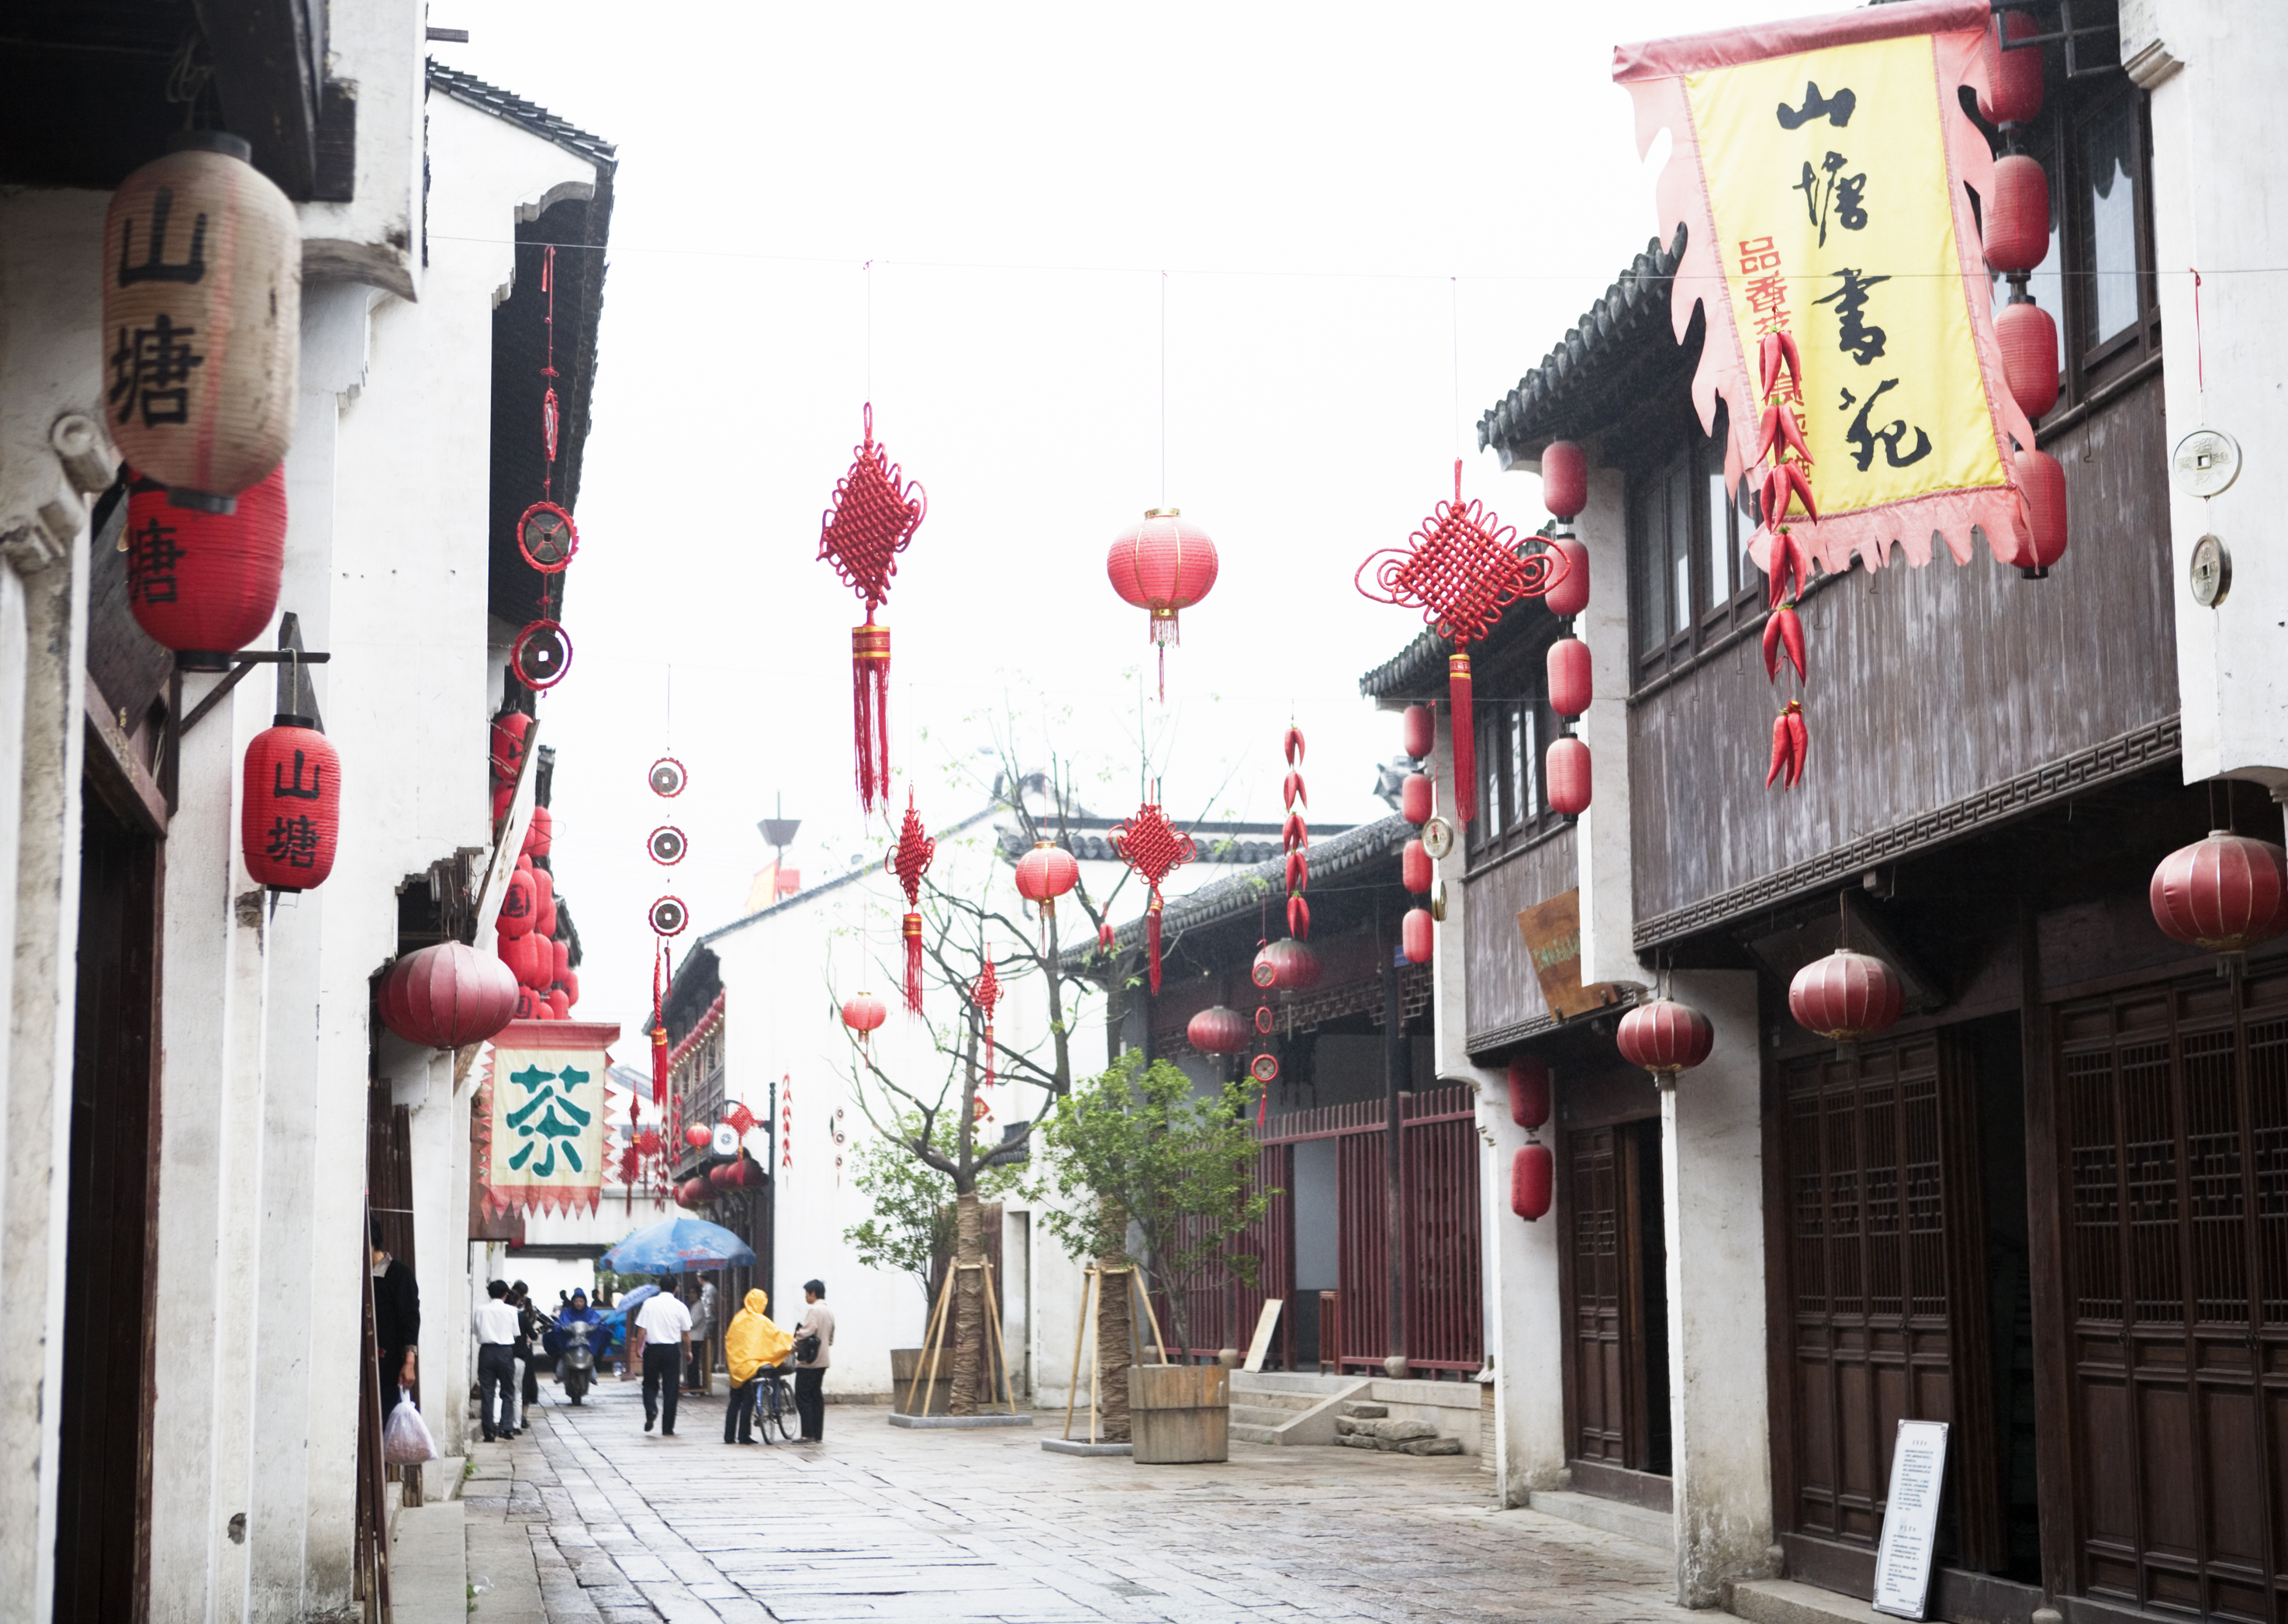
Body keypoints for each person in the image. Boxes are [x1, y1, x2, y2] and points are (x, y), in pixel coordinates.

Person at [721, 1287, 793, 1445]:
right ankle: (744, 1435)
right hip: (752, 1368)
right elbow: (776, 1336)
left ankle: (728, 1435)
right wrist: (793, 1340)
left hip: (737, 1367)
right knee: (748, 1401)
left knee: (734, 1402)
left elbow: (730, 1339)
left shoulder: (738, 1319)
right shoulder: (761, 1321)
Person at [629, 1272, 693, 1436]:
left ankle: (651, 1409)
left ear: (659, 1287)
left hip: (653, 1350)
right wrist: (688, 1351)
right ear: (676, 1289)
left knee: (649, 1383)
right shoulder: (680, 1306)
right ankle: (667, 1428)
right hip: (672, 1350)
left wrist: (638, 1349)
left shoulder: (649, 1303)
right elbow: (686, 1333)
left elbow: (641, 1330)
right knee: (671, 1389)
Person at [369, 1218, 420, 1417]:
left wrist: (409, 1363)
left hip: (389, 1369)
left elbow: (410, 1319)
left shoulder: (399, 1274)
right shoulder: (357, 1274)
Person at [472, 1280, 520, 1443]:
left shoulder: (480, 1310)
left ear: (489, 1293)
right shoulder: (511, 1310)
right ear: (506, 1294)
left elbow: (476, 1331)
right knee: (507, 1390)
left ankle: (489, 1432)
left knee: (487, 1392)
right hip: (505, 1351)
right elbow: (515, 1332)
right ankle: (506, 1428)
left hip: (486, 1351)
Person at [790, 1279, 835, 1443]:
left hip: (809, 1362)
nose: (806, 1297)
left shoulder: (815, 1311)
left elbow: (805, 1333)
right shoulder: (828, 1311)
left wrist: (794, 1345)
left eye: (807, 1294)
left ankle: (807, 1434)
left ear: (813, 1293)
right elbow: (830, 1339)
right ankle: (817, 1434)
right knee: (816, 1397)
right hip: (822, 1360)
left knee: (803, 1396)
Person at [512, 1280, 542, 1415]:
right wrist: (534, 1334)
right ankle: (523, 1416)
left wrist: (532, 1334)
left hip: (511, 1348)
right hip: (525, 1349)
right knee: (525, 1381)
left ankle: (515, 1416)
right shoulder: (530, 1309)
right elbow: (548, 1323)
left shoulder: (513, 1309)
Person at [686, 1277, 718, 1393]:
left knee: (693, 1363)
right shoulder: (694, 1306)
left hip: (696, 1338)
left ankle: (694, 1385)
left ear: (698, 1294)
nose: (691, 1295)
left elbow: (692, 1323)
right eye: (689, 1292)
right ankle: (692, 1384)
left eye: (693, 1292)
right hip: (692, 1338)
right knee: (692, 1363)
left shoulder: (698, 1306)